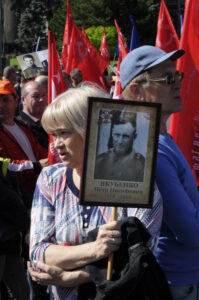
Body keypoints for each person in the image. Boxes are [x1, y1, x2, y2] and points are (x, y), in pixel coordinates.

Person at [28, 83, 163, 299]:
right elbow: (38, 253)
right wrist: (95, 249)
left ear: (90, 129)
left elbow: (137, 257)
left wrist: (69, 278)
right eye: (54, 135)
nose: (56, 145)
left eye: (64, 133)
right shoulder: (50, 179)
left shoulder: (136, 182)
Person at [120, 45, 199, 300]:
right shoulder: (151, 147)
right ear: (136, 90)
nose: (177, 83)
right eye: (167, 78)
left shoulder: (157, 139)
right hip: (176, 282)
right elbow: (191, 230)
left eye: (177, 76)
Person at [0, 80, 48, 198]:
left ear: (16, 102)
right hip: (15, 198)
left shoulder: (24, 126)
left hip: (36, 192)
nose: (1, 105)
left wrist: (52, 158)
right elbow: (4, 165)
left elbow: (40, 152)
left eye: (6, 100)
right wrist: (35, 166)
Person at [0, 158, 30, 300]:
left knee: (20, 292)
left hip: (10, 241)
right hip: (8, 236)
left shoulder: (4, 167)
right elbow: (11, 203)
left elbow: (20, 199)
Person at [94, 110, 145, 181]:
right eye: (117, 135)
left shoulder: (143, 165)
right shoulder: (99, 161)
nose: (120, 141)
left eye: (125, 136)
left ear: (134, 136)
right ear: (112, 133)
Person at [18, 80, 48, 149]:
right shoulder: (19, 126)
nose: (41, 99)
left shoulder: (50, 122)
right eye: (35, 96)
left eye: (44, 95)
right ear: (23, 99)